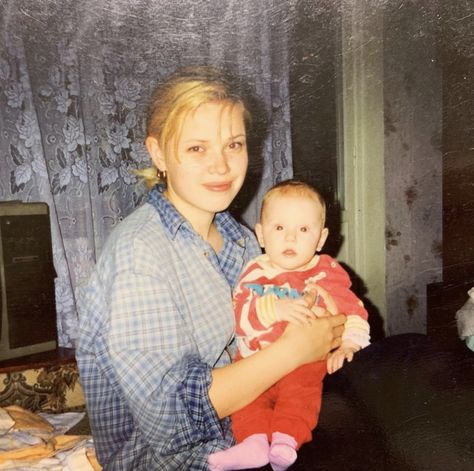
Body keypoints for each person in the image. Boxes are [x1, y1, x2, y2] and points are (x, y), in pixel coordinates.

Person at [75, 67, 346, 470]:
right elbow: (171, 421)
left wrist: (324, 327)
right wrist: (295, 350)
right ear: (159, 153)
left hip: (256, 429)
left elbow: (266, 329)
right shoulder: (139, 254)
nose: (221, 166)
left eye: (234, 144)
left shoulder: (240, 239)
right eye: (197, 148)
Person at [208, 180, 371, 471]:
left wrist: (349, 343)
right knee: (248, 402)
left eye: (303, 230)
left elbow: (353, 311)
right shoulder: (256, 271)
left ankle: (286, 440)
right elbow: (240, 316)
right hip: (255, 360)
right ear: (261, 234)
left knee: (300, 395)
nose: (290, 239)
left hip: (305, 363)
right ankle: (253, 443)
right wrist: (274, 309)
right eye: (280, 228)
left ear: (320, 239)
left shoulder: (327, 272)